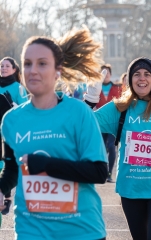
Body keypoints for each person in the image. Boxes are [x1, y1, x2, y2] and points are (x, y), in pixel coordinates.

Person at [0, 28, 108, 240]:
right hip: (31, 230)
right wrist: (1, 188)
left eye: (42, 63)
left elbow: (98, 172)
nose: (33, 70)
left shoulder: (79, 113)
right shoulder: (11, 121)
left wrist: (46, 165)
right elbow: (13, 169)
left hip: (81, 231)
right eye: (28, 63)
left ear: (57, 70)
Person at [84, 57, 151, 240]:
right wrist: (90, 101)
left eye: (147, 74)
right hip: (131, 187)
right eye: (137, 74)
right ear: (130, 79)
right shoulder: (119, 108)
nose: (142, 78)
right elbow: (84, 124)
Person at [0, 57, 28, 215]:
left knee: (6, 164)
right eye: (1, 66)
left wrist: (12, 105)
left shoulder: (18, 88)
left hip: (9, 132)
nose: (3, 68)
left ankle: (6, 196)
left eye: (6, 66)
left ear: (14, 69)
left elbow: (24, 110)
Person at [96, 64, 122, 182]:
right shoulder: (95, 88)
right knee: (101, 148)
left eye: (107, 73)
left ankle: (109, 173)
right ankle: (100, 171)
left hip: (113, 123)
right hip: (99, 123)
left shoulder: (117, 88)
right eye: (103, 73)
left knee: (111, 147)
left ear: (110, 75)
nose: (105, 75)